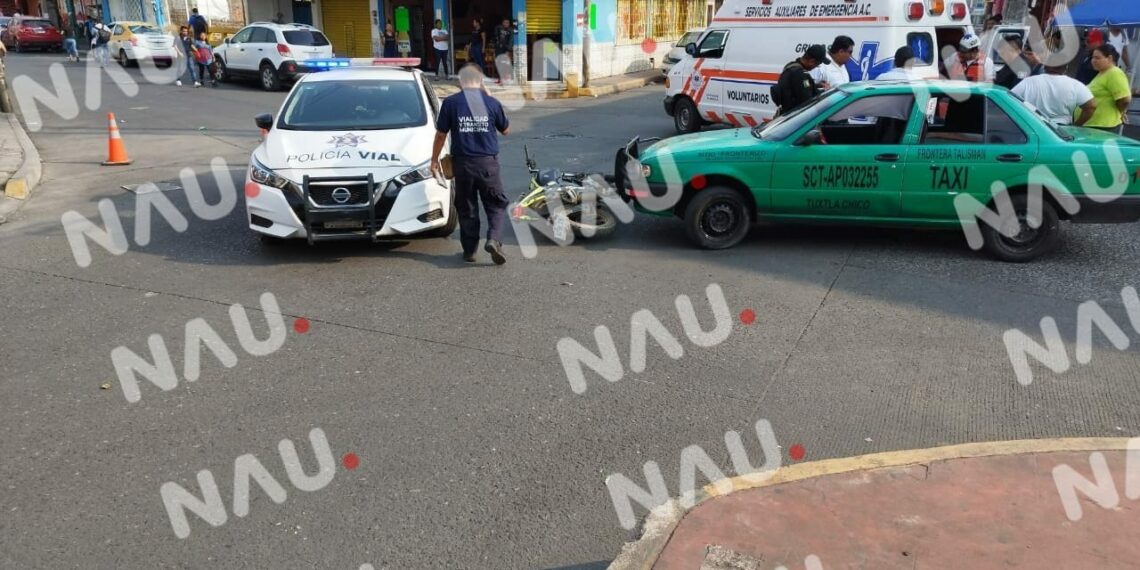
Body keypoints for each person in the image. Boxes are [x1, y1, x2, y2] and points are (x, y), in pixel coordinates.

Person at [430, 64, 511, 265]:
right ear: (481, 80)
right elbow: (506, 130)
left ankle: (470, 251)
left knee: (466, 207)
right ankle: (493, 239)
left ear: (460, 81)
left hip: (462, 164)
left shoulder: (450, 103)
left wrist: (434, 161)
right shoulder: (491, 103)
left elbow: (441, 134)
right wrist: (488, 95)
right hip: (487, 165)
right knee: (496, 204)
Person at [1011, 64, 1096, 126]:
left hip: (1033, 126)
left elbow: (1010, 100)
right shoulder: (1075, 84)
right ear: (1066, 68)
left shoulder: (1028, 82)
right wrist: (1077, 125)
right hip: (1061, 130)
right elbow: (1091, 106)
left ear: (1044, 66)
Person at [1084, 44, 1132, 133]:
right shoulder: (1102, 73)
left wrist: (1120, 112)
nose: (1093, 61)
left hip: (1104, 126)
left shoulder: (1114, 73)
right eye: (1092, 58)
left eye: (1097, 58)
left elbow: (1125, 99)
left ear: (1109, 58)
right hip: (1095, 125)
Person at [773, 44, 828, 116]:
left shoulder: (791, 66)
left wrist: (816, 85)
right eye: (818, 64)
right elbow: (808, 101)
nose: (817, 67)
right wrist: (826, 91)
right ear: (811, 61)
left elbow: (797, 88)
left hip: (786, 115)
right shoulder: (801, 74)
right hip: (794, 118)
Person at [493, 18, 514, 84]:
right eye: (505, 22)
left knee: (505, 64)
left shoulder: (511, 30)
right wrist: (495, 45)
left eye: (507, 22)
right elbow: (495, 37)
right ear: (502, 23)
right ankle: (500, 78)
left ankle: (507, 79)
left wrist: (508, 50)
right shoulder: (498, 28)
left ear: (509, 23)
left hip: (506, 49)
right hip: (498, 49)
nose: (506, 24)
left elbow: (511, 40)